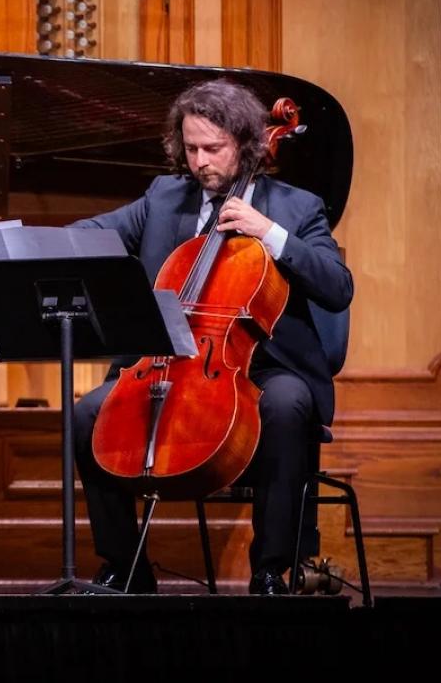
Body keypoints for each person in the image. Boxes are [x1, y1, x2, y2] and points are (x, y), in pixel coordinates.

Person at [71, 77, 353, 595]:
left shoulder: (296, 207)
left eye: (213, 149)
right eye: (192, 147)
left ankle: (271, 568)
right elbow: (95, 230)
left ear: (247, 143)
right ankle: (125, 566)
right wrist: (34, 241)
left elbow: (338, 287)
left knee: (287, 406)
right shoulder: (163, 197)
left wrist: (268, 232)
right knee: (88, 412)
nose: (200, 161)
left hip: (265, 362)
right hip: (172, 359)